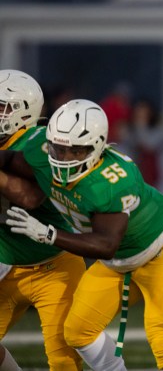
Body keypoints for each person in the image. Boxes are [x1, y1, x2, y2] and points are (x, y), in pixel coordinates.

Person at [2, 99, 163, 371]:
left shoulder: (110, 183)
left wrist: (49, 234)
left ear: (96, 146)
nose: (63, 158)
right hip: (122, 259)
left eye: (75, 151)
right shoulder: (41, 154)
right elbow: (10, 159)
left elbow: (105, 244)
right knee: (77, 331)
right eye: (58, 148)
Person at [0, 69, 86, 371]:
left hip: (55, 266)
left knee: (63, 360)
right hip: (9, 266)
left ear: (23, 110)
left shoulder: (37, 140)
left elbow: (30, 197)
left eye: (1, 107)